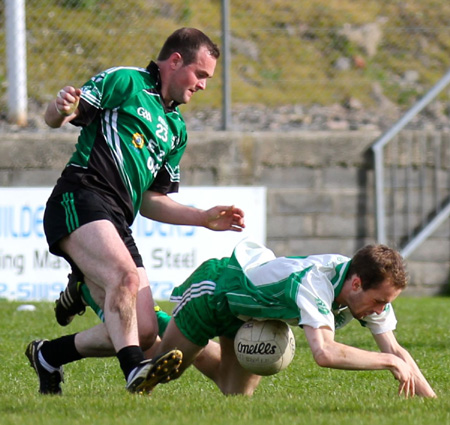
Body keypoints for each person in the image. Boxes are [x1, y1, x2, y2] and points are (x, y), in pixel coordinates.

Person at [25, 27, 246, 395]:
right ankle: (134, 372)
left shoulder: (176, 129)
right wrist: (59, 108)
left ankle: (49, 354)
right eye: (201, 75)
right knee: (125, 280)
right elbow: (61, 115)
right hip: (80, 196)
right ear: (175, 61)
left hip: (118, 219)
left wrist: (203, 217)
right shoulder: (126, 82)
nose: (204, 86)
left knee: (142, 330)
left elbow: (149, 199)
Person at [148, 238, 437, 397]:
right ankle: (156, 321)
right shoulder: (315, 282)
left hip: (246, 318)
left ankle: (191, 342)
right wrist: (387, 362)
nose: (380, 310)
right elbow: (324, 353)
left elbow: (396, 350)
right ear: (357, 284)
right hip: (215, 294)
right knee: (163, 371)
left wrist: (431, 403)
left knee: (235, 394)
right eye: (378, 302)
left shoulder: (369, 288)